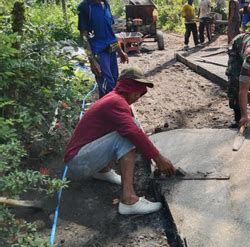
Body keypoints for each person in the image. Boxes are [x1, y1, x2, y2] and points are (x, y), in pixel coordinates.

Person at [63, 66, 176, 215]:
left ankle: (103, 171)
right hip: (78, 163)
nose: (138, 95)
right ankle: (128, 200)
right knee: (127, 135)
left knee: (130, 129)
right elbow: (133, 132)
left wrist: (151, 153)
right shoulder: (115, 102)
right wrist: (158, 158)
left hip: (83, 158)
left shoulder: (115, 99)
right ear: (127, 87)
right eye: (136, 89)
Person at [78, 0, 129, 98]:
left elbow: (110, 31)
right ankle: (109, 114)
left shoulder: (105, 4)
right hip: (99, 53)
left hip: (111, 50)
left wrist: (120, 51)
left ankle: (110, 112)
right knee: (108, 86)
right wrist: (92, 60)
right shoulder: (85, 7)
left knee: (115, 82)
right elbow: (84, 36)